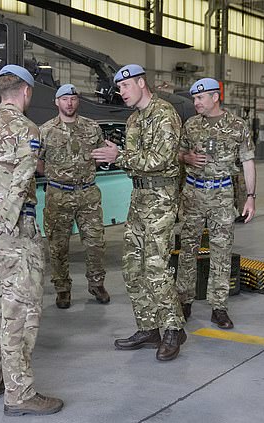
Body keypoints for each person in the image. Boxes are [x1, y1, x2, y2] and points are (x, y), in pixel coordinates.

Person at [0, 64, 63, 415]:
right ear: (26, 92)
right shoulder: (28, 129)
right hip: (15, 230)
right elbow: (22, 181)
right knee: (19, 313)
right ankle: (19, 395)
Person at [91, 64, 186, 361]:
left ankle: (172, 328)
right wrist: (118, 155)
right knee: (133, 267)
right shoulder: (133, 120)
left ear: (141, 83)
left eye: (125, 86)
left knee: (156, 265)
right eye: (119, 88)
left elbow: (160, 159)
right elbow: (135, 162)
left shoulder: (165, 114)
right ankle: (148, 328)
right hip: (140, 195)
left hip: (161, 196)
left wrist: (119, 155)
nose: (121, 93)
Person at [175, 77, 256, 329]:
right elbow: (177, 153)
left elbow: (248, 162)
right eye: (194, 98)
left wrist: (251, 197)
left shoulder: (237, 125)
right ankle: (184, 300)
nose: (195, 102)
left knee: (221, 252)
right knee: (187, 249)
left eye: (200, 98)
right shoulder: (190, 125)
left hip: (222, 194)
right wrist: (187, 157)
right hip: (193, 194)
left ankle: (219, 306)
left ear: (215, 97)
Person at [38, 84, 109, 309]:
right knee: (58, 245)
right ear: (56, 102)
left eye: (73, 99)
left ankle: (96, 284)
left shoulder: (92, 127)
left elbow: (100, 154)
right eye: (65, 99)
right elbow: (37, 160)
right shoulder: (45, 130)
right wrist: (54, 175)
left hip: (87, 193)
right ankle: (62, 288)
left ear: (78, 101)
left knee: (95, 242)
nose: (69, 103)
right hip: (58, 195)